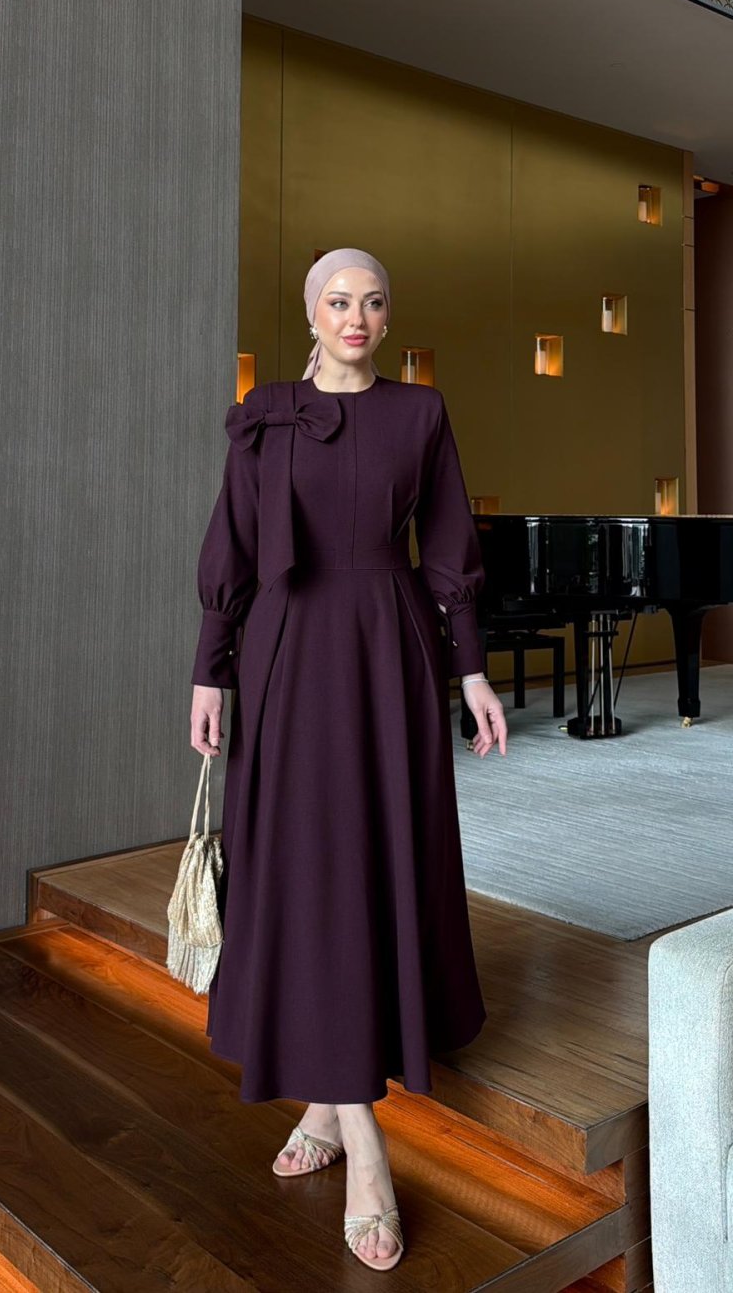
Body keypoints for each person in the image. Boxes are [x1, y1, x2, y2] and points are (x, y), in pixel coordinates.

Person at [190, 247, 507, 1272]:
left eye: (372, 301)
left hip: (386, 650)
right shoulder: (265, 416)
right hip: (286, 653)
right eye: (338, 300)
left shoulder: (421, 414)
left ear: (388, 313)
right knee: (303, 870)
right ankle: (360, 1131)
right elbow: (234, 545)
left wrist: (471, 671)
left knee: (372, 862)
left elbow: (450, 547)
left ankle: (333, 1108)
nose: (355, 316)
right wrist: (210, 672)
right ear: (310, 311)